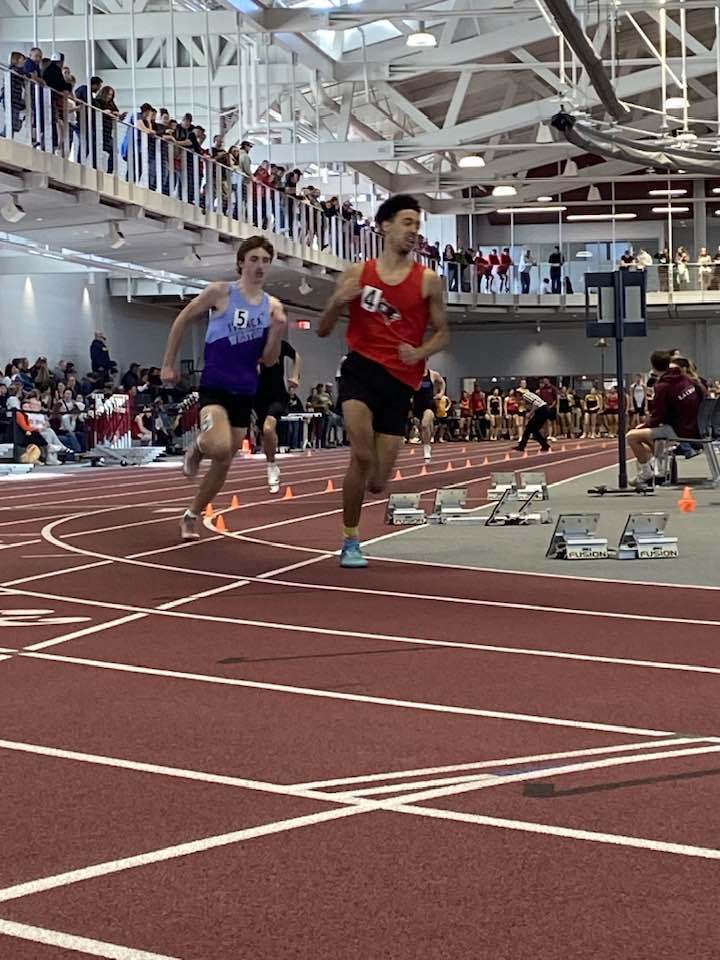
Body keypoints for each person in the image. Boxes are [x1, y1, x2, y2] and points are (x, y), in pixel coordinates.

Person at [317, 193, 449, 568]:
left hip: (400, 381)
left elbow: (442, 333)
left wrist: (420, 352)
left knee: (377, 481)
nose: (413, 232)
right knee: (360, 455)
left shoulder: (428, 281)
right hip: (361, 370)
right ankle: (350, 539)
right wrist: (336, 301)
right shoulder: (358, 274)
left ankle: (366, 497)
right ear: (385, 225)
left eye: (417, 226)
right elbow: (324, 330)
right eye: (407, 223)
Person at [161, 236, 287, 541]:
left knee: (225, 459)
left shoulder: (273, 306)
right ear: (241, 262)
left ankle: (192, 515)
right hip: (215, 386)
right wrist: (168, 363)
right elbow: (182, 319)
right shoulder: (221, 292)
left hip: (245, 391)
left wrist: (276, 333)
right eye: (254, 259)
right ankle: (197, 447)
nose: (259, 266)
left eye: (265, 261)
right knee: (217, 447)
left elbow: (269, 361)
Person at [627, 351, 702, 487]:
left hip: (681, 430)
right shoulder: (685, 379)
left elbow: (658, 417)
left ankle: (645, 475)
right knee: (651, 436)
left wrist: (644, 425)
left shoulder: (663, 386)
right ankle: (658, 469)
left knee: (632, 436)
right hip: (695, 426)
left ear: (653, 367)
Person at [254, 339, 301, 493]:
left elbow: (296, 356)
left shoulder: (279, 343)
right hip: (258, 396)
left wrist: (295, 376)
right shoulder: (252, 343)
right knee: (265, 433)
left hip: (277, 395)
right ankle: (271, 462)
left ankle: (271, 467)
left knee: (268, 429)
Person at [412, 367, 445, 463]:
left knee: (425, 424)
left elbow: (442, 382)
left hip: (429, 405)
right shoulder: (412, 373)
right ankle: (427, 440)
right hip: (417, 406)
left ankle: (427, 448)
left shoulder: (433, 374)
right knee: (423, 429)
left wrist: (441, 393)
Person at [513, 385, 551, 452]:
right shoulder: (528, 395)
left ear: (518, 395)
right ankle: (544, 445)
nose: (517, 399)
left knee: (529, 429)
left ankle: (522, 446)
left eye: (516, 397)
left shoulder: (526, 396)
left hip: (542, 410)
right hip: (543, 410)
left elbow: (535, 404)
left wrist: (530, 413)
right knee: (534, 430)